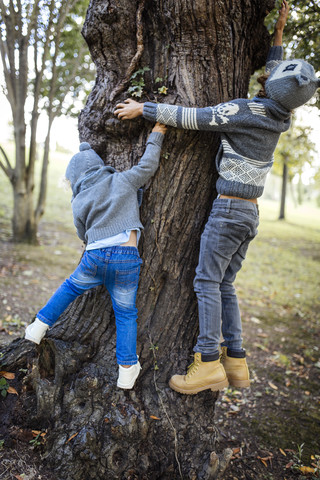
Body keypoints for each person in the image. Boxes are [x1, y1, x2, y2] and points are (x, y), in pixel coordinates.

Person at [114, 1, 320, 394]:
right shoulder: (279, 116)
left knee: (207, 282)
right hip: (249, 215)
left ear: (272, 85)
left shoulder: (245, 110)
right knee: (225, 284)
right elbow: (280, 80)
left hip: (228, 212)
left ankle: (208, 361)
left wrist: (145, 108)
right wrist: (278, 34)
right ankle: (236, 361)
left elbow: (195, 117)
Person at [25, 122, 167, 390]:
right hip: (126, 258)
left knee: (69, 288)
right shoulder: (121, 180)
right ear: (99, 166)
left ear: (76, 178)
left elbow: (82, 233)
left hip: (94, 257)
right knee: (125, 314)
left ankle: (38, 326)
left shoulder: (78, 201)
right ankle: (126, 369)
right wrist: (156, 135)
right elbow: (148, 166)